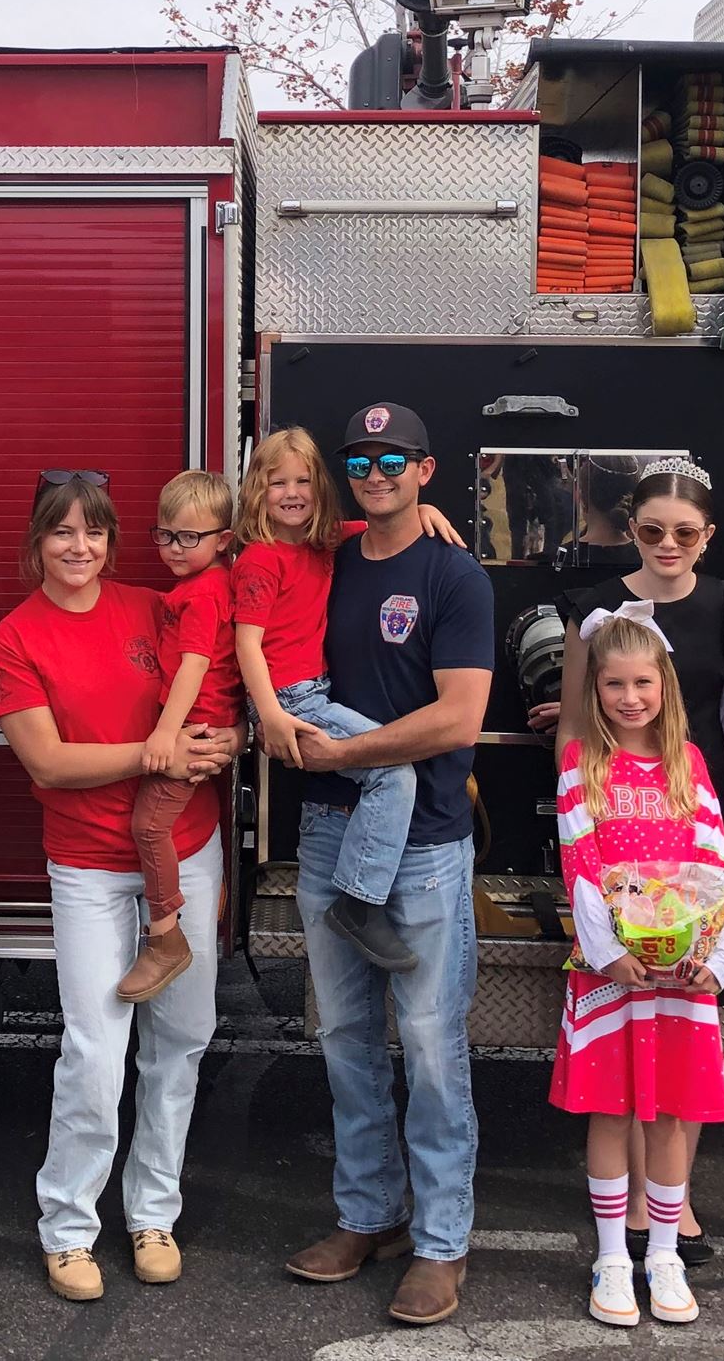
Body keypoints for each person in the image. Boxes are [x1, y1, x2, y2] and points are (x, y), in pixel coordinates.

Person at [0, 473, 241, 1302]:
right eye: (60, 532)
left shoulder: (151, 607)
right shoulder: (14, 639)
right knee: (97, 1052)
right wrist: (155, 755)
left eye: (93, 532)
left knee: (184, 1039)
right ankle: (67, 1226)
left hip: (188, 852)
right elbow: (49, 764)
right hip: (90, 867)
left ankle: (152, 1213)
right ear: (36, 542)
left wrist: (225, 738)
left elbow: (215, 678)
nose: (78, 547)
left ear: (112, 540)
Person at [283, 402, 495, 1330]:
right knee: (345, 1045)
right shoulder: (317, 565)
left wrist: (340, 757)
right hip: (327, 840)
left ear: (426, 467)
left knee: (432, 1048)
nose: (375, 471)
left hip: (426, 846)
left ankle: (442, 1243)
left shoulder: (455, 576)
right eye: (360, 458)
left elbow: (457, 720)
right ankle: (369, 1217)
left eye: (392, 458)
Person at [546, 456, 724, 1267]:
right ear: (630, 526)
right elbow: (575, 719)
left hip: (691, 805)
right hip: (611, 813)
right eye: (650, 529)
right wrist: (581, 808)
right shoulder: (593, 609)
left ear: (706, 538)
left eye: (684, 532)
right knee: (629, 1019)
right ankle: (629, 1205)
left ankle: (674, 1204)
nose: (666, 544)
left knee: (679, 1023)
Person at [549, 607, 724, 1330]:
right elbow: (581, 864)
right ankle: (610, 1256)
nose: (631, 698)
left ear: (665, 685)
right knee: (612, 1109)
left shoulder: (688, 762)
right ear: (594, 690)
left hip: (681, 973)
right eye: (614, 685)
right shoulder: (581, 765)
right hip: (612, 973)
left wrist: (710, 957)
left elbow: (713, 861)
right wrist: (614, 953)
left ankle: (663, 1252)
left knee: (672, 1113)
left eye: (643, 683)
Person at [233, 427, 465, 972]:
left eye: (303, 480)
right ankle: (359, 903)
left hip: (310, 692)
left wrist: (425, 511)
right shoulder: (261, 559)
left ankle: (359, 897)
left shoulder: (321, 543)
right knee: (394, 772)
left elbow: (385, 527)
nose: (291, 492)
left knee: (386, 772)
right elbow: (246, 644)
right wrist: (269, 716)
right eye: (276, 483)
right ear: (256, 494)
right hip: (289, 699)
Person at [119, 469, 240, 1004]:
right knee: (151, 825)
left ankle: (165, 939)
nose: (173, 547)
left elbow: (194, 664)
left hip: (194, 728)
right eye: (165, 534)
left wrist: (167, 734)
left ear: (223, 541)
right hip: (202, 723)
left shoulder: (203, 595)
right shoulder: (201, 586)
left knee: (148, 826)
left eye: (189, 537)